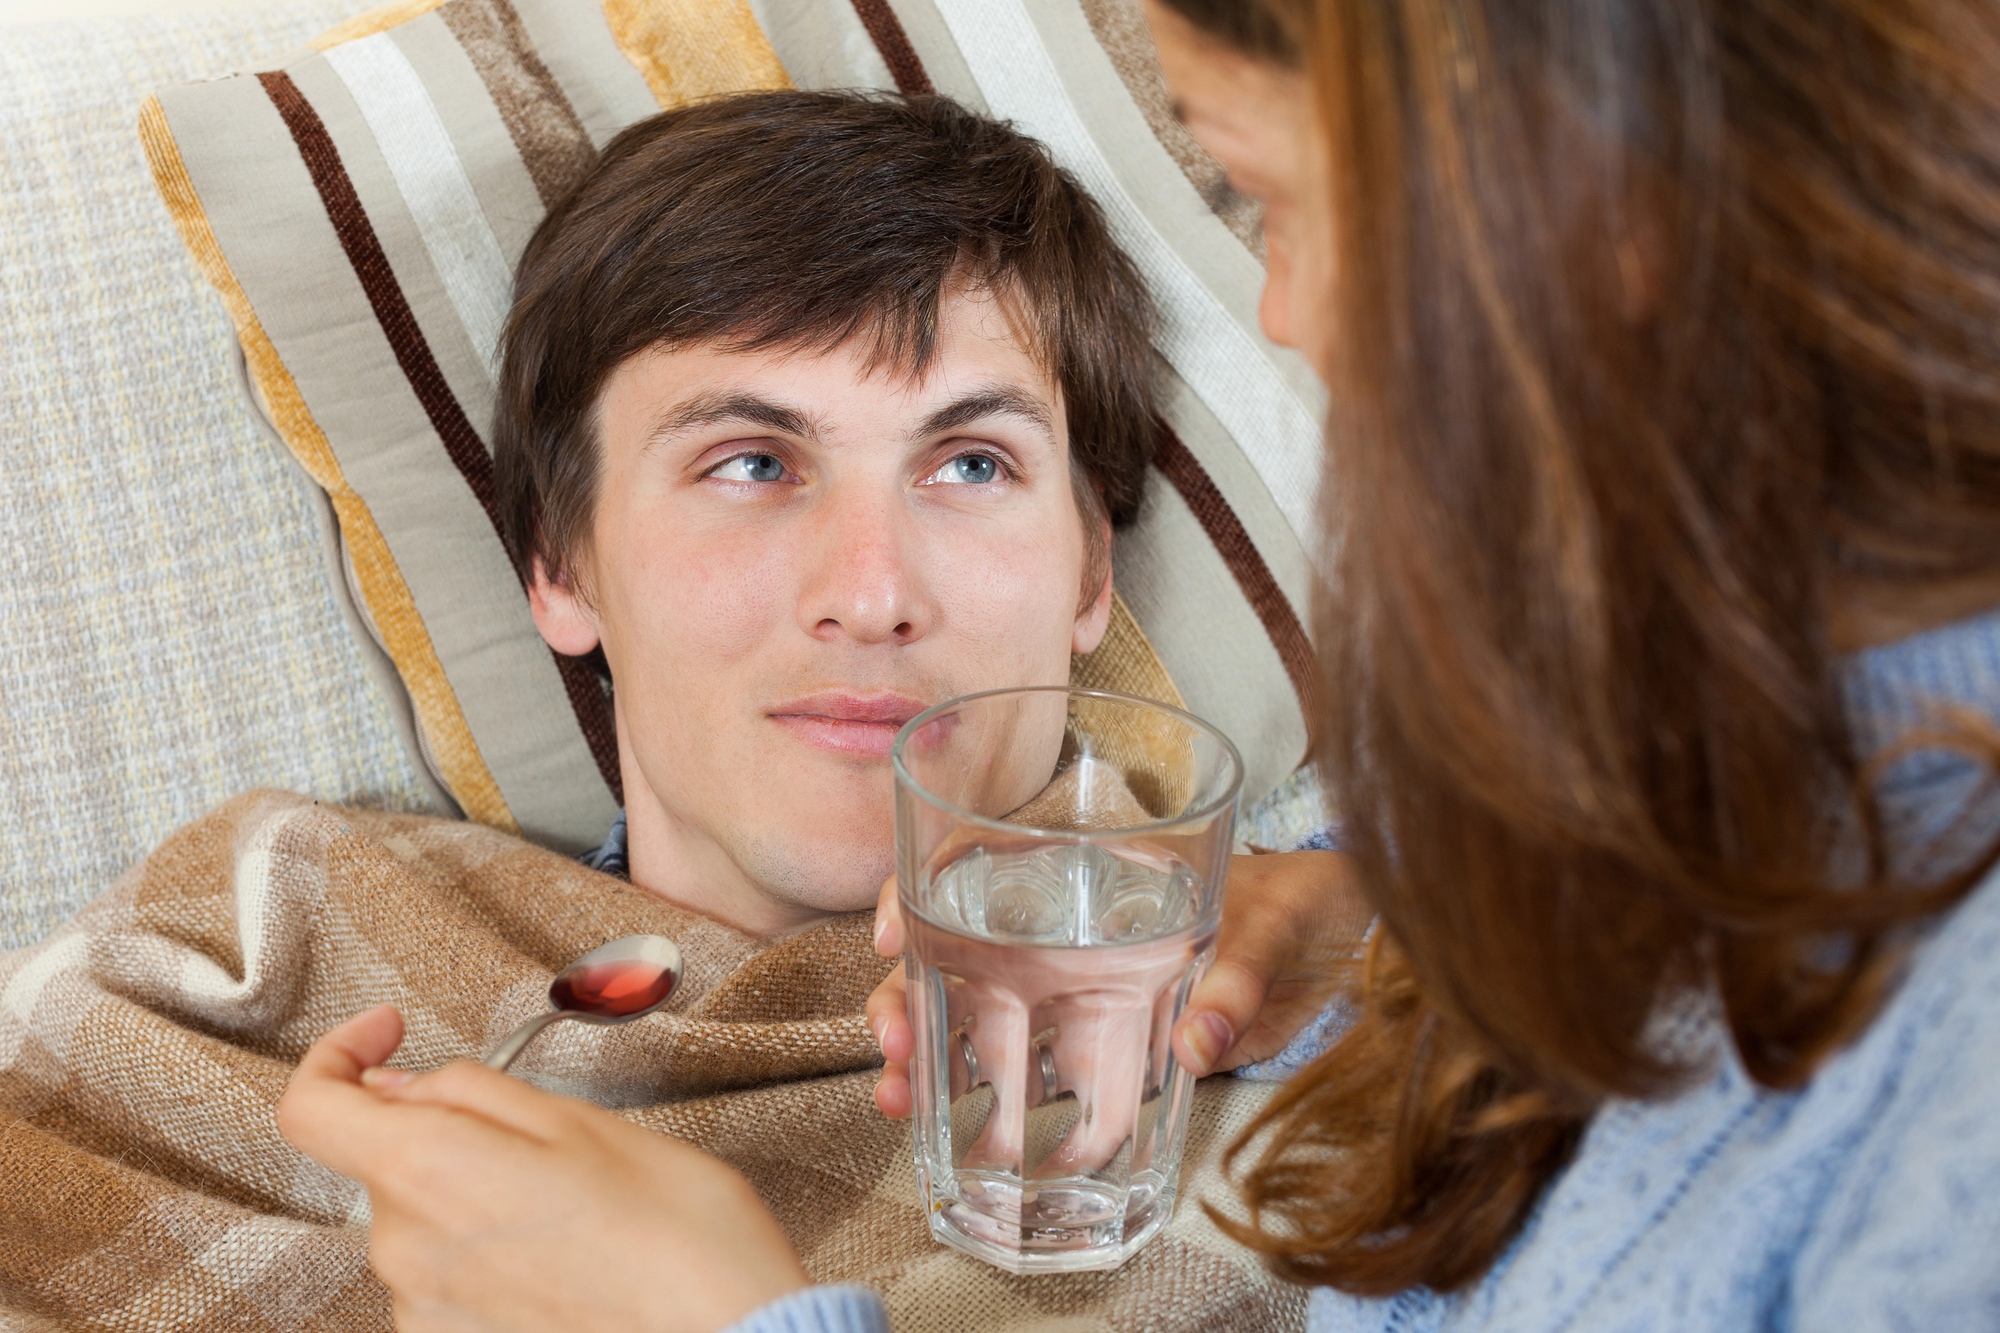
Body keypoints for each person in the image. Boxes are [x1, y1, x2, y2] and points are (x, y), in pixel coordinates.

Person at [284, 0, 2000, 1328]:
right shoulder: (275, 940)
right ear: (553, 563)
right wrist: (1404, 927)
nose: (870, 591)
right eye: (751, 461)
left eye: (1286, 201)